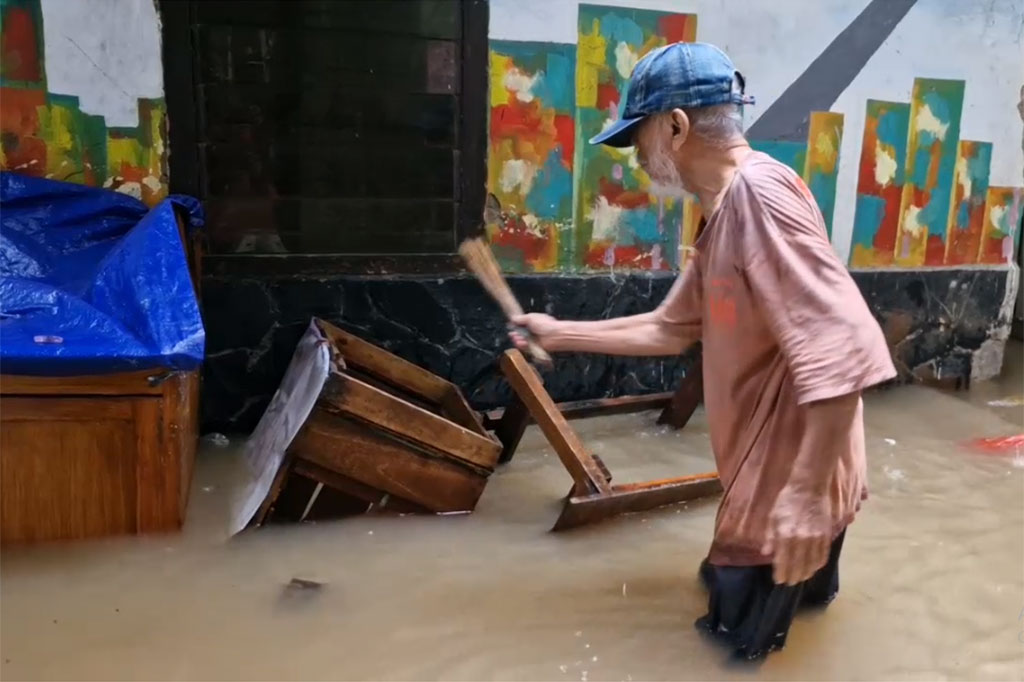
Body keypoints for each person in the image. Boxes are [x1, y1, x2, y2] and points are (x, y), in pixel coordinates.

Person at [510, 42, 897, 661]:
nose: (638, 159)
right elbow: (671, 328)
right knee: (791, 626)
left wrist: (801, 496)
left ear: (676, 126)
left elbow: (844, 341)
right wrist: (558, 332)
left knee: (731, 654)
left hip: (786, 495)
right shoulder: (720, 215)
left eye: (638, 140)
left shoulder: (758, 198)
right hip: (787, 485)